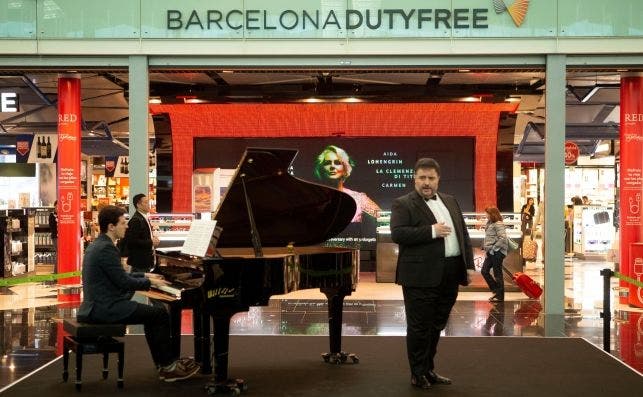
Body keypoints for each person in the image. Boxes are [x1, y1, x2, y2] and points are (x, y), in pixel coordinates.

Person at [77, 205, 200, 382]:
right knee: (159, 314)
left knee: (152, 316)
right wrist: (150, 282)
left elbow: (118, 275)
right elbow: (123, 282)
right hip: (105, 307)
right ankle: (168, 366)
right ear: (111, 226)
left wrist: (144, 275)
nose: (126, 226)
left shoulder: (100, 244)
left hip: (98, 304)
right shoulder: (106, 249)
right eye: (123, 223)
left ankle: (164, 364)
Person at [390, 157, 474, 390]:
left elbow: (462, 234)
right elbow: (398, 234)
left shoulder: (451, 201)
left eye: (431, 178)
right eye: (422, 178)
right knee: (419, 327)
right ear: (414, 179)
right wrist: (431, 231)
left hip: (450, 273)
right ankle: (417, 373)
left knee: (437, 324)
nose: (426, 182)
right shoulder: (402, 203)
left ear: (438, 179)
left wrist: (467, 266)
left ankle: (428, 369)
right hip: (419, 275)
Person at [313, 145, 380, 222]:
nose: (332, 166)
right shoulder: (313, 197)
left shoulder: (358, 198)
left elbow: (383, 218)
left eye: (337, 163)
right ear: (321, 169)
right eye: (327, 163)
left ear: (345, 169)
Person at [122, 193, 159, 273]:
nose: (148, 204)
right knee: (140, 282)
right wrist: (151, 242)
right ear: (138, 205)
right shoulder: (136, 220)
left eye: (148, 202)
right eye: (146, 202)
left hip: (144, 260)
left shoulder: (143, 217)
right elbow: (132, 241)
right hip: (139, 262)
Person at [481, 206, 508, 302]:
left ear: (492, 214)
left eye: (487, 213)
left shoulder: (498, 224)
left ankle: (500, 295)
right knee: (484, 271)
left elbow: (502, 238)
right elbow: (488, 237)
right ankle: (497, 290)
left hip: (497, 252)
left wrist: (493, 248)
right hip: (490, 252)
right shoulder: (489, 223)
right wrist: (486, 249)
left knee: (497, 273)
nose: (486, 215)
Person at [48, 200, 58, 273]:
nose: (58, 208)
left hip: (61, 237)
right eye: (57, 206)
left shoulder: (63, 215)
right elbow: (52, 227)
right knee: (59, 253)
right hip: (55, 237)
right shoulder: (52, 215)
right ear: (54, 206)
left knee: (60, 254)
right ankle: (56, 272)